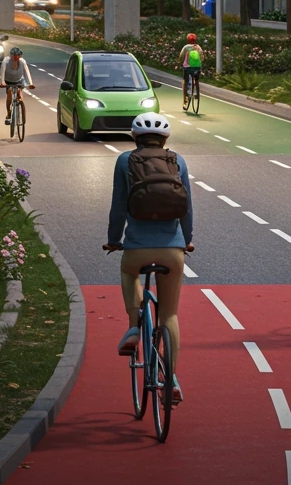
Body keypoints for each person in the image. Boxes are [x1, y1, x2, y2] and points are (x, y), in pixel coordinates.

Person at [103, 113, 194, 404]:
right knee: (170, 315)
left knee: (129, 273)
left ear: (133, 137)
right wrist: (187, 240)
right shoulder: (177, 161)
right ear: (165, 139)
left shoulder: (124, 161)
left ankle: (133, 326)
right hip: (172, 251)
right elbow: (187, 208)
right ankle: (173, 379)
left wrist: (114, 240)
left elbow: (118, 207)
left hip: (137, 248)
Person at [0, 46, 35, 124]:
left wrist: (31, 83)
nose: (16, 57)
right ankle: (9, 112)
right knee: (9, 93)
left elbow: (27, 72)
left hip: (19, 80)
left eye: (18, 56)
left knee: (19, 91)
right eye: (14, 56)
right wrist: (2, 82)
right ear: (11, 56)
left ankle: (20, 104)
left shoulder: (22, 61)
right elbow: (2, 71)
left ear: (20, 56)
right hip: (8, 80)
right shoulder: (6, 61)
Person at [178, 32, 204, 102]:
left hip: (187, 67)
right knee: (196, 80)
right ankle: (197, 94)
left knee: (185, 81)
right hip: (197, 67)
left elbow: (181, 56)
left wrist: (181, 62)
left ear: (187, 40)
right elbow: (202, 57)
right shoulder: (198, 47)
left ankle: (184, 100)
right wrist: (199, 64)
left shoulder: (186, 47)